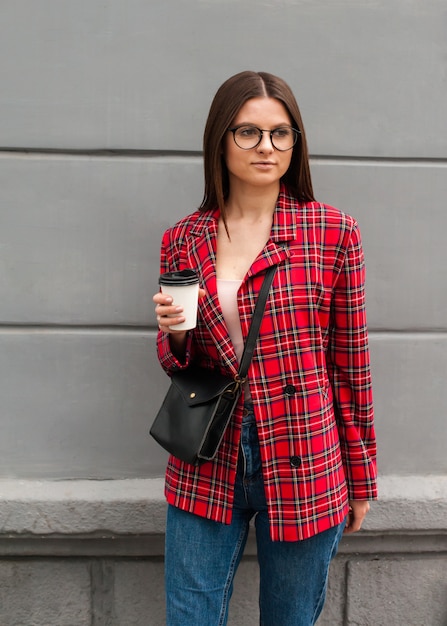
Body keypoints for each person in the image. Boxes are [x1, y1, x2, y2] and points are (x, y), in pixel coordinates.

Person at [153, 70, 377, 626]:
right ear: (220, 140)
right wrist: (175, 332)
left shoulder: (332, 233)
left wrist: (361, 476)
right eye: (248, 133)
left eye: (281, 133)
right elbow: (178, 363)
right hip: (208, 452)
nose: (267, 147)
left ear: (296, 142)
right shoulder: (184, 236)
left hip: (305, 450)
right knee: (191, 615)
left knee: (290, 617)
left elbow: (351, 363)